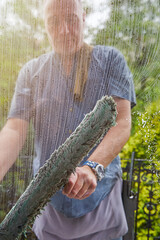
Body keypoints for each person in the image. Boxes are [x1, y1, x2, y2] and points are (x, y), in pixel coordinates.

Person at [0, 0, 136, 239]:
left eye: (71, 20)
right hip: (49, 205)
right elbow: (14, 130)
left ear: (83, 19)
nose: (64, 30)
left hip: (102, 203)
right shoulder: (31, 72)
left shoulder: (111, 60)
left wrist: (93, 167)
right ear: (45, 25)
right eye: (54, 22)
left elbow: (122, 122)